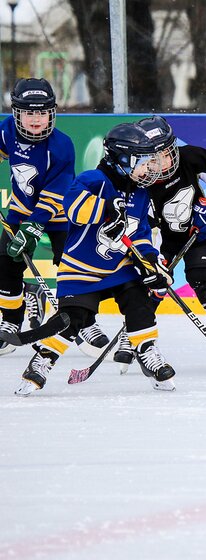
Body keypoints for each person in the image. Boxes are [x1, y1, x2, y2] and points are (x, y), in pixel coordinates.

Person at [15, 123, 175, 396]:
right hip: (81, 269)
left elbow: (141, 235)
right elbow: (73, 208)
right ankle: (43, 359)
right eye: (144, 162)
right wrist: (106, 209)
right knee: (72, 319)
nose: (149, 169)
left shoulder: (139, 193)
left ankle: (147, 351)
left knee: (139, 303)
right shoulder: (93, 180)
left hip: (120, 268)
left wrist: (149, 263)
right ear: (124, 160)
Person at [0, 77, 110, 358]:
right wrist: (25, 221)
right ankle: (11, 322)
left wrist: (35, 225)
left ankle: (86, 322)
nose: (36, 119)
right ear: (16, 113)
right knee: (5, 266)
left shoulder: (62, 145)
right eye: (29, 112)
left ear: (52, 112)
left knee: (72, 266)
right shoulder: (6, 131)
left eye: (42, 112)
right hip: (21, 210)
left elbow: (56, 193)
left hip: (62, 215)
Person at [133, 115, 206, 373]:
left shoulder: (191, 158)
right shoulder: (138, 182)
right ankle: (138, 336)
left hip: (198, 232)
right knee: (152, 287)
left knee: (202, 277)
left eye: (165, 154)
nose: (161, 163)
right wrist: (153, 255)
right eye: (152, 157)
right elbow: (141, 222)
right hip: (160, 242)